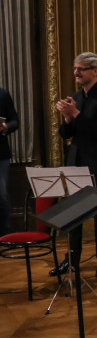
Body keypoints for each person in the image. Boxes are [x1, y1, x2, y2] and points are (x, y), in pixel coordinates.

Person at [56, 52, 97, 278]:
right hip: (77, 162)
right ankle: (72, 259)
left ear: (95, 71)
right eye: (75, 68)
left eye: (81, 69)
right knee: (74, 214)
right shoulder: (75, 97)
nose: (76, 73)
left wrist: (75, 113)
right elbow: (66, 134)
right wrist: (67, 118)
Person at [0, 88, 19, 237]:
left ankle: (4, 237)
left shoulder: (2, 94)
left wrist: (5, 127)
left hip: (0, 155)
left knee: (1, 196)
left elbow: (15, 121)